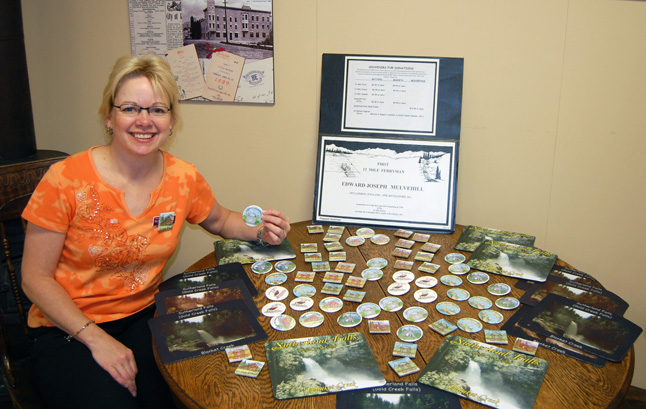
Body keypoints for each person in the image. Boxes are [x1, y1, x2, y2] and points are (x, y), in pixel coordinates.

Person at [20, 54, 290, 409]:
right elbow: (34, 279)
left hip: (145, 317)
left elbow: (221, 220)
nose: (144, 121)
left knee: (192, 393)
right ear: (109, 115)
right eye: (130, 108)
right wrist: (98, 340)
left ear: (172, 121)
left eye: (158, 110)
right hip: (67, 329)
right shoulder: (64, 179)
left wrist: (260, 229)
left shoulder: (182, 177)